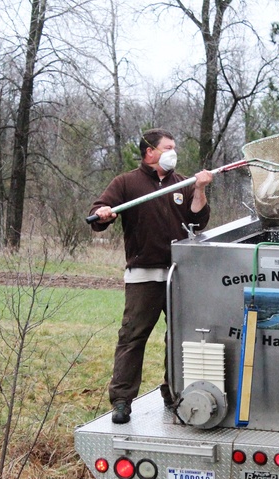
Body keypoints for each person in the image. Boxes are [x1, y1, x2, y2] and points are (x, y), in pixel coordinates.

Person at [89, 129, 214, 424]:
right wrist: (104, 213)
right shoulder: (126, 183)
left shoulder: (181, 183)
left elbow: (198, 220)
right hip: (142, 275)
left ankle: (174, 392)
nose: (173, 153)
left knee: (181, 337)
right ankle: (121, 400)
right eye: (168, 148)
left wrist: (199, 189)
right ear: (150, 152)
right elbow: (97, 214)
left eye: (174, 148)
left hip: (177, 275)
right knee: (133, 337)